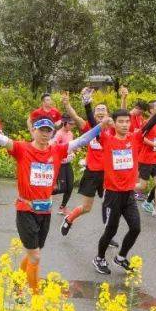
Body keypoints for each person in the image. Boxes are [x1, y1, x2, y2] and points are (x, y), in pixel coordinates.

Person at [0, 115, 102, 293]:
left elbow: (82, 140)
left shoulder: (57, 151)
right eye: (41, 130)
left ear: (52, 133)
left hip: (45, 210)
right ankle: (35, 297)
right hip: (26, 209)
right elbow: (2, 139)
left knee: (33, 253)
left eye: (48, 131)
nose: (45, 134)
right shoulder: (22, 149)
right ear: (33, 131)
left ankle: (17, 283)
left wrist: (101, 127)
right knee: (35, 256)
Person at [87, 103, 156, 274]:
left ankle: (121, 257)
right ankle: (99, 258)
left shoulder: (134, 138)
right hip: (112, 195)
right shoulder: (107, 139)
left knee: (136, 228)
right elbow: (93, 127)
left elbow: (150, 124)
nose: (125, 125)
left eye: (127, 121)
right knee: (111, 230)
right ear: (114, 124)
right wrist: (88, 104)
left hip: (129, 194)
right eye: (121, 122)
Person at [59, 91, 113, 235]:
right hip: (92, 172)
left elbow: (124, 114)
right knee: (86, 207)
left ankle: (108, 235)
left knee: (110, 205)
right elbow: (75, 116)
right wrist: (66, 104)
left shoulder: (112, 129)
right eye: (98, 110)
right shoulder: (88, 126)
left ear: (108, 115)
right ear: (94, 114)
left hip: (108, 173)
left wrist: (125, 98)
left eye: (103, 110)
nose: (100, 112)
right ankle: (69, 219)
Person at [135, 100, 156, 218]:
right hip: (145, 159)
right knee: (142, 186)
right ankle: (121, 188)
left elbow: (155, 137)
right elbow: (142, 138)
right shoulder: (147, 122)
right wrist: (155, 144)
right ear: (151, 110)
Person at [51, 119, 76, 214]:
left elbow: (70, 147)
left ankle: (62, 207)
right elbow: (53, 148)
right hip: (60, 164)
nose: (72, 126)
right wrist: (60, 157)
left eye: (73, 124)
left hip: (67, 163)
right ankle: (42, 194)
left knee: (70, 187)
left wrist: (72, 153)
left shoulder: (70, 133)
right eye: (70, 124)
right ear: (64, 123)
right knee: (62, 188)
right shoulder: (59, 134)